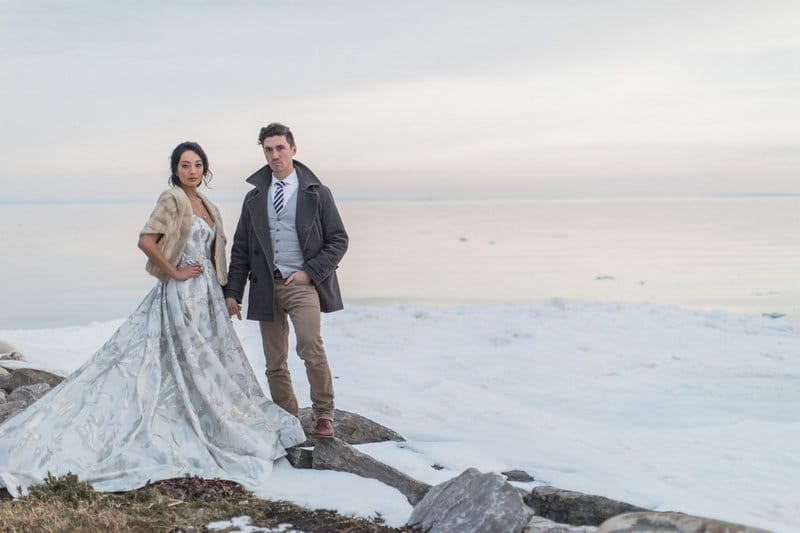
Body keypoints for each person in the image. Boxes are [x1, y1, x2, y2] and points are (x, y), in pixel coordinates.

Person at [0, 142, 305, 496]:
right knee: (182, 358)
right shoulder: (172, 199)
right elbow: (146, 241)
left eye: (197, 165)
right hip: (182, 291)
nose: (191, 171)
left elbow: (216, 252)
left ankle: (212, 415)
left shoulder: (207, 205)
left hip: (206, 291)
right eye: (185, 165)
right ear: (175, 169)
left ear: (205, 170)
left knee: (209, 360)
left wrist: (227, 295)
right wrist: (173, 272)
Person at [224, 123, 348, 439]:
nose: (275, 155)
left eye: (280, 148)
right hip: (266, 285)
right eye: (268, 149)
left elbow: (338, 239)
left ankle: (324, 414)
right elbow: (240, 248)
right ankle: (287, 418)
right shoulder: (254, 198)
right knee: (274, 360)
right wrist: (233, 293)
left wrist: (310, 271)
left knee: (310, 345)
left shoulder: (317, 194)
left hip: (303, 284)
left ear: (293, 149)